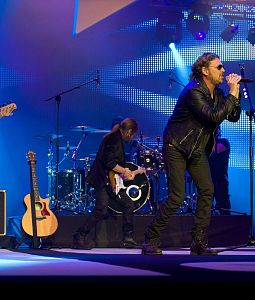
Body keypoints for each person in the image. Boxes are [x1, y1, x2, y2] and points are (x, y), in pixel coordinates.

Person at [141, 52, 242, 255]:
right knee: (176, 197)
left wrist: (235, 95)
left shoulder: (218, 92)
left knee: (207, 190)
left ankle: (198, 243)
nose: (223, 71)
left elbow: (232, 117)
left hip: (196, 151)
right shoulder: (193, 91)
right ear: (205, 71)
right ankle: (150, 240)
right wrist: (231, 94)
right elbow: (213, 117)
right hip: (176, 147)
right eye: (219, 67)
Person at [72, 117, 140, 249]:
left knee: (128, 203)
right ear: (129, 131)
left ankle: (128, 237)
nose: (132, 138)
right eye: (133, 134)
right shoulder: (113, 139)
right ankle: (79, 236)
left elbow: (113, 164)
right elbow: (109, 162)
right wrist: (124, 171)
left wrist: (123, 173)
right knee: (100, 211)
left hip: (109, 180)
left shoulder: (116, 139)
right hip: (102, 180)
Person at [209, 125, 231, 215]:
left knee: (224, 207)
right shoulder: (205, 143)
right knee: (206, 207)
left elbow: (213, 150)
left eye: (216, 128)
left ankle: (227, 226)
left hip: (221, 180)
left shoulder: (224, 142)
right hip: (208, 180)